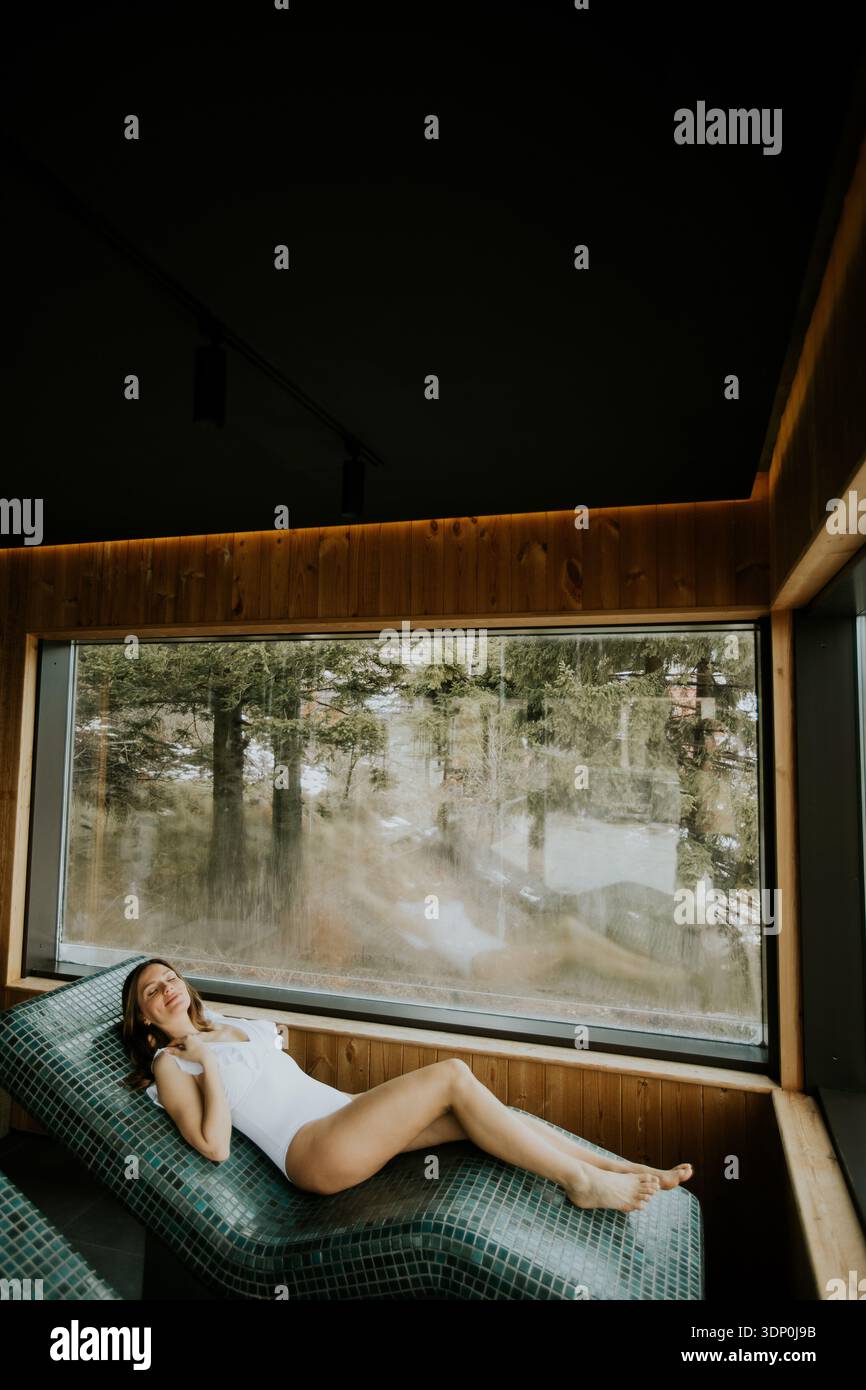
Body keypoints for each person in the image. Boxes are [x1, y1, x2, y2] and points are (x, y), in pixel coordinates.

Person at [122, 957, 693, 1210]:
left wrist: (256, 1040)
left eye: (171, 977)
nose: (168, 988)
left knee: (482, 1119)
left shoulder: (227, 1026)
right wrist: (208, 1061)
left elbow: (275, 1048)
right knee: (452, 1076)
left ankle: (617, 1168)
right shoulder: (175, 1065)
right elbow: (214, 1146)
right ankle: (580, 1181)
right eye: (153, 989)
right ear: (145, 1016)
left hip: (343, 1113)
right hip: (314, 1151)